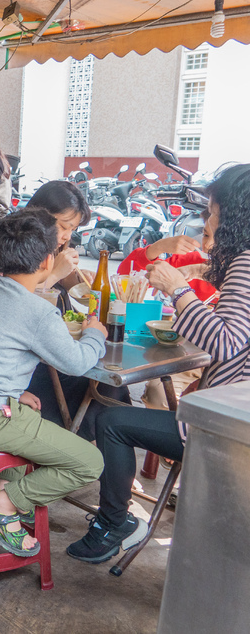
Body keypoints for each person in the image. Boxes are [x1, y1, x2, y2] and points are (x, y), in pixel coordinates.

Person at [67, 164, 250, 564]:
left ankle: (115, 523)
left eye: (213, 209)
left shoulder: (246, 264)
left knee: (111, 421)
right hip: (234, 419)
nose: (208, 217)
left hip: (226, 431)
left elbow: (225, 343)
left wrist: (178, 289)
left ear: (234, 212)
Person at [0, 209, 106, 557]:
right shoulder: (38, 311)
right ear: (48, 261)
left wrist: (14, 391)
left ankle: (7, 502)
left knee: (30, 419)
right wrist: (94, 335)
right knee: (89, 462)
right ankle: (5, 503)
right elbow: (76, 363)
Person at [0, 180, 128, 437]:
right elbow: (14, 302)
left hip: (17, 354)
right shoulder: (2, 248)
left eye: (73, 229)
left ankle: (101, 444)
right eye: (63, 226)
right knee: (92, 383)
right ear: (39, 216)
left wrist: (76, 278)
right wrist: (55, 272)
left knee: (109, 388)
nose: (67, 236)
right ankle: (66, 453)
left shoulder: (31, 245)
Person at [118, 232, 214, 411]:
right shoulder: (190, 260)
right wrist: (159, 247)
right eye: (207, 235)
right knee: (158, 392)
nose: (209, 245)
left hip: (229, 366)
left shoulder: (239, 276)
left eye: (220, 235)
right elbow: (127, 274)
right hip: (187, 355)